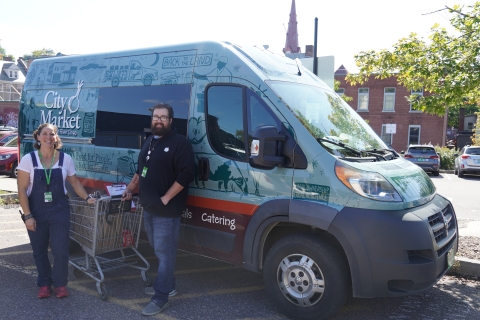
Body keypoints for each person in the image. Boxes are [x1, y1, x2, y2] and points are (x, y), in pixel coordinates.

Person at [122, 103, 194, 316]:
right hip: (149, 207)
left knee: (165, 252)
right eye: (156, 117)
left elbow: (186, 175)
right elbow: (140, 172)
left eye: (163, 117)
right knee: (159, 249)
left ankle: (161, 296)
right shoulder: (150, 141)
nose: (159, 120)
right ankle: (169, 285)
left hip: (166, 210)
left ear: (171, 121)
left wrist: (165, 198)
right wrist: (129, 189)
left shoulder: (180, 143)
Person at [17, 123, 96, 299]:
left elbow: (74, 183)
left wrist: (87, 198)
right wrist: (28, 216)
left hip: (59, 210)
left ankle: (60, 284)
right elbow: (21, 190)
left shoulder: (65, 159)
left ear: (56, 138)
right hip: (35, 210)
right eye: (44, 134)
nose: (48, 137)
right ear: (38, 137)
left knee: (61, 250)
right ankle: (44, 283)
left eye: (52, 134)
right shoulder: (28, 159)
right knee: (39, 250)